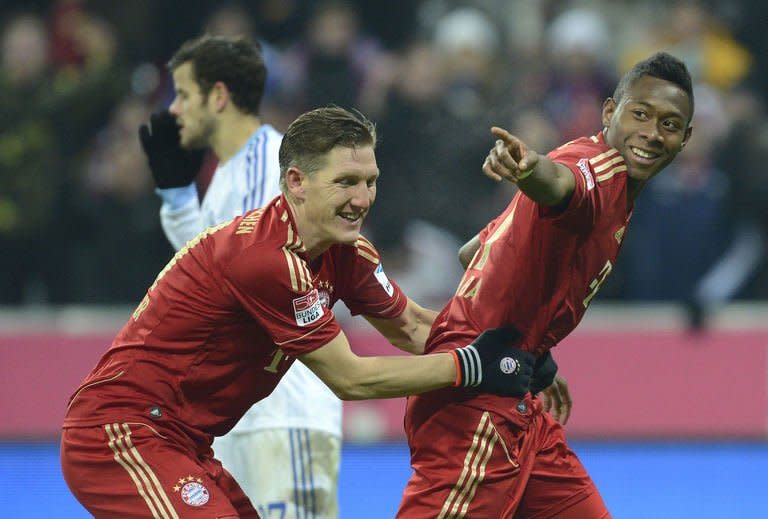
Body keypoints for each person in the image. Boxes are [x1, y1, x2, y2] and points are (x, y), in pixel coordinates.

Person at [60, 106, 539, 518]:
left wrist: (516, 348)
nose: (362, 200)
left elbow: (414, 327)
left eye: (370, 182)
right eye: (345, 183)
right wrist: (475, 365)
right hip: (121, 432)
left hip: (185, 441)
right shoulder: (264, 259)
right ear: (296, 182)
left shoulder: (346, 251)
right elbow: (350, 379)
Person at [396, 52, 694, 518]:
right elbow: (562, 185)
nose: (652, 134)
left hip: (517, 388)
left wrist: (537, 352)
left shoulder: (586, 158)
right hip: (479, 400)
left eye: (670, 124)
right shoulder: (600, 173)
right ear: (610, 111)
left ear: (685, 139)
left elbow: (475, 251)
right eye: (641, 114)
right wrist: (529, 169)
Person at [137, 34, 347, 518]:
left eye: (184, 94)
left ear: (219, 96)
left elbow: (256, 271)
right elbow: (216, 267)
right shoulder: (232, 174)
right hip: (245, 419)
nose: (175, 110)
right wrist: (177, 197)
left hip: (282, 411)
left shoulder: (266, 166)